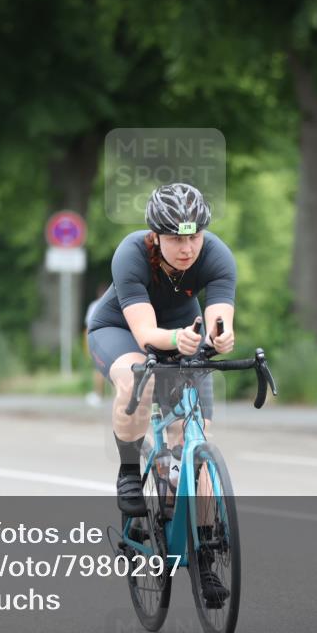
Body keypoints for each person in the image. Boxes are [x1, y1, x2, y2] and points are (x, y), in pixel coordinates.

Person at [87, 183, 236, 603]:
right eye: (175, 239)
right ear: (155, 236)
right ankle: (128, 472)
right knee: (138, 378)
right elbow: (146, 334)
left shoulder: (217, 255)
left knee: (195, 443)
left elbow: (219, 317)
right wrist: (178, 339)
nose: (187, 248)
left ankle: (205, 556)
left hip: (184, 335)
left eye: (195, 237)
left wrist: (221, 336)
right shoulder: (131, 253)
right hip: (121, 331)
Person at [83, 284, 109, 407]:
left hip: (98, 340)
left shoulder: (94, 306)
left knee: (98, 369)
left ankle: (98, 395)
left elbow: (88, 327)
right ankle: (118, 395)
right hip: (111, 339)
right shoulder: (115, 303)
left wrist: (87, 345)